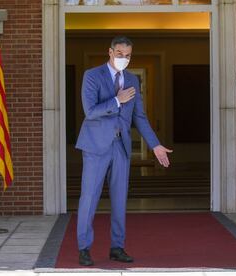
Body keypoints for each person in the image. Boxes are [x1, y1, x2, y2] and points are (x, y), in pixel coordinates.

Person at [75, 36, 172, 266]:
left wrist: (155, 144)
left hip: (121, 146)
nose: (124, 59)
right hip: (96, 146)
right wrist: (117, 101)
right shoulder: (92, 75)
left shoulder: (132, 79)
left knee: (120, 199)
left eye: (128, 55)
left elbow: (139, 116)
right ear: (110, 52)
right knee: (89, 198)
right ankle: (84, 248)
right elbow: (90, 111)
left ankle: (117, 247)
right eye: (119, 54)